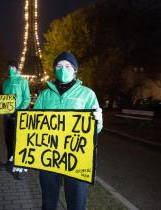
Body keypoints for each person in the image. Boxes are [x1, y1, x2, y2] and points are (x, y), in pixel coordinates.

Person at [33, 51, 103, 210]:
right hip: (49, 155)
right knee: (48, 202)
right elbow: (34, 125)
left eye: (67, 66)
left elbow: (94, 130)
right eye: (59, 66)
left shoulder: (87, 94)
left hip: (76, 156)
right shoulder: (45, 95)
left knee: (77, 203)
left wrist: (97, 121)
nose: (63, 69)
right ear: (54, 69)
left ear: (75, 69)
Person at [0, 60, 31, 175]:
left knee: (17, 140)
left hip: (18, 115)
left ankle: (19, 165)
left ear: (17, 68)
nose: (10, 69)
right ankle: (9, 161)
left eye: (12, 67)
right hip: (6, 116)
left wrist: (19, 111)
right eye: (9, 67)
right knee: (8, 139)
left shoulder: (22, 81)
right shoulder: (5, 82)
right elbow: (3, 99)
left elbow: (26, 98)